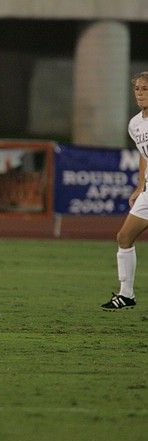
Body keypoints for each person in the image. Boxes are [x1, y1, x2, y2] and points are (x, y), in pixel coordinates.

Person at [101, 71, 148, 310]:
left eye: (145, 89)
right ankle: (126, 295)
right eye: (137, 89)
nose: (140, 93)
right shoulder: (135, 124)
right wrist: (140, 186)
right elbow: (143, 155)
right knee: (124, 237)